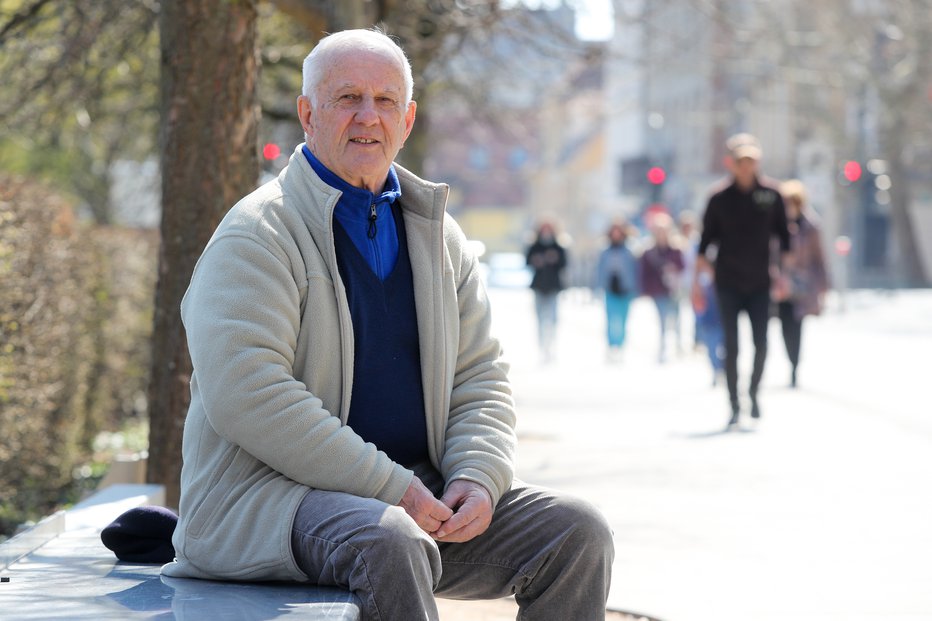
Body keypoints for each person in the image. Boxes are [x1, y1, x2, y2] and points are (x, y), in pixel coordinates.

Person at [160, 29, 613, 621]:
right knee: (388, 541)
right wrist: (391, 488)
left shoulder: (439, 238)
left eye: (385, 100)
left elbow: (480, 376)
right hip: (266, 506)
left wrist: (478, 477)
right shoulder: (257, 235)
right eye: (347, 98)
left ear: (408, 118)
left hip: (413, 500)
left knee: (576, 533)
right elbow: (249, 395)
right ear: (307, 114)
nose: (367, 117)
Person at [693, 133, 791, 427]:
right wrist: (698, 283)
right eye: (740, 162)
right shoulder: (718, 198)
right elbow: (704, 245)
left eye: (751, 161)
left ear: (758, 162)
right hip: (727, 283)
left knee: (761, 344)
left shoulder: (772, 195)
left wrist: (783, 276)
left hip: (761, 282)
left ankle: (753, 392)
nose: (746, 167)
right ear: (731, 164)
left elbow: (785, 239)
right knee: (732, 346)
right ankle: (734, 403)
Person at [775, 179, 829, 388]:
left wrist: (823, 286)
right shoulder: (778, 226)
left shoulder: (811, 226)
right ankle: (791, 359)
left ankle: (794, 366)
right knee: (784, 325)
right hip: (781, 285)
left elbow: (819, 257)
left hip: (802, 285)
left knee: (796, 326)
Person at [639, 212, 684, 363]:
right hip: (658, 291)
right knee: (663, 319)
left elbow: (683, 267)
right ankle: (663, 348)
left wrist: (672, 269)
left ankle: (678, 346)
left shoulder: (677, 249)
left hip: (675, 290)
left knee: (677, 319)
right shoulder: (649, 252)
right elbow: (644, 273)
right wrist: (645, 290)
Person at [525, 220, 568, 362]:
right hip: (538, 287)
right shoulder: (534, 246)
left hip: (554, 287)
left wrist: (554, 259)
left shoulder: (559, 246)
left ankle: (552, 347)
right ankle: (542, 348)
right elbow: (527, 262)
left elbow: (564, 264)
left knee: (553, 319)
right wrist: (536, 260)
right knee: (540, 319)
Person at [595, 222, 639, 361]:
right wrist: (597, 287)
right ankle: (611, 345)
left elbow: (636, 271)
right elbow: (599, 270)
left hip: (626, 289)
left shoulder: (630, 249)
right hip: (610, 288)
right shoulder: (605, 250)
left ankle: (620, 346)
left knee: (623, 320)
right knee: (611, 319)